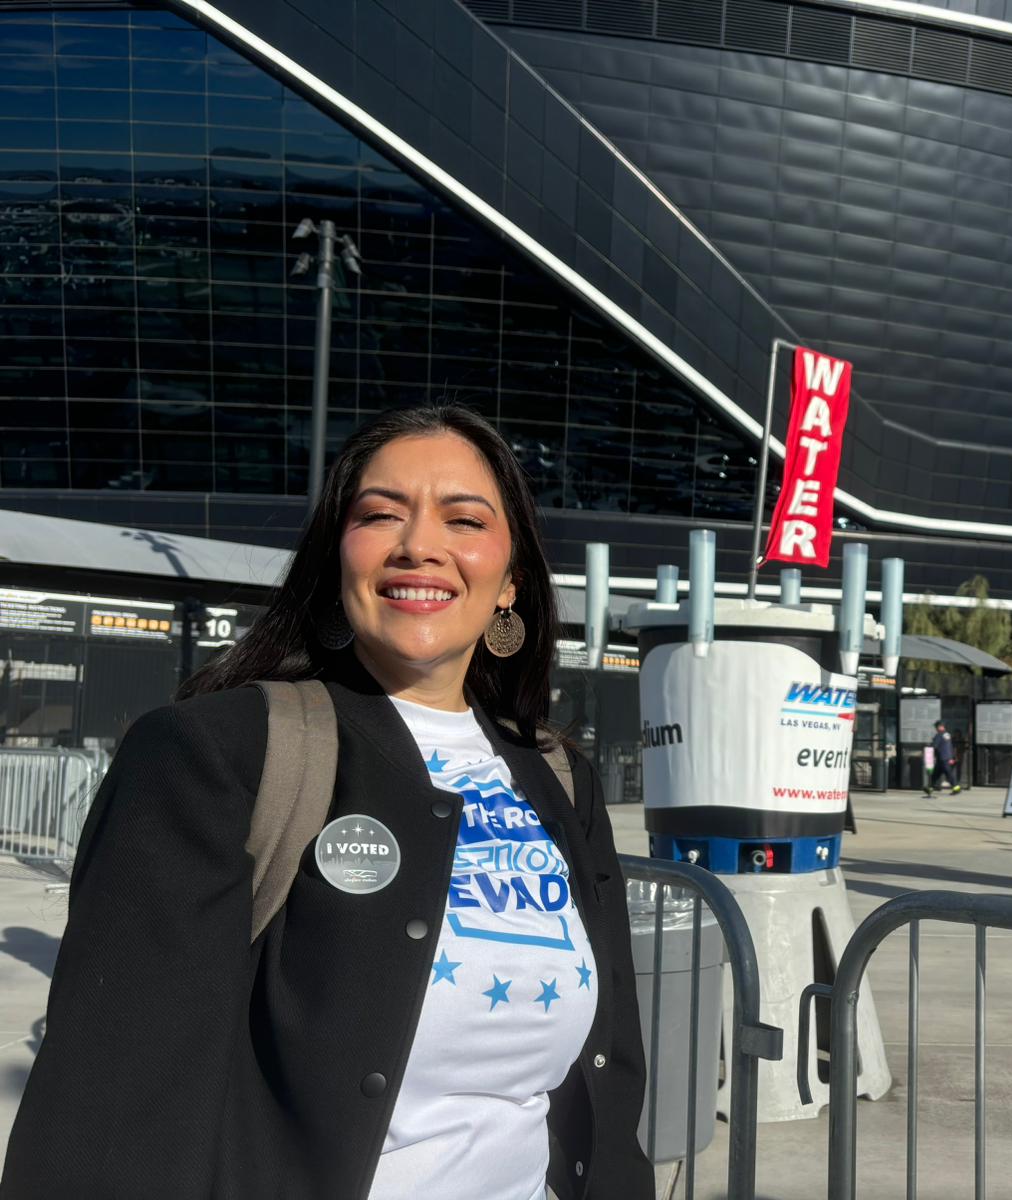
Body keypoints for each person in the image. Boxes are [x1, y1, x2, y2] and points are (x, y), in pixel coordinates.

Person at [1, 406, 653, 1199]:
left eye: (465, 519)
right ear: (338, 557)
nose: (420, 545)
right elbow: (108, 1105)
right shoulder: (219, 753)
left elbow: (610, 1066)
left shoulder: (560, 776)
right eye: (380, 514)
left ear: (510, 578)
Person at [924, 719, 962, 795]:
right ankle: (929, 788)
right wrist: (952, 757)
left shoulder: (939, 735)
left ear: (940, 727)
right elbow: (950, 746)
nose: (935, 728)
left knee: (948, 774)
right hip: (945, 758)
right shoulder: (947, 734)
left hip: (943, 758)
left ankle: (956, 788)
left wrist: (928, 746)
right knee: (935, 774)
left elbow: (934, 746)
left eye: (936, 727)